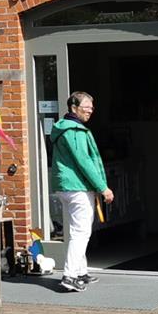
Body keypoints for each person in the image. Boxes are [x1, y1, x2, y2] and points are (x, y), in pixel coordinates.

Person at [47, 91, 113, 294]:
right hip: (76, 187)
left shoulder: (64, 129)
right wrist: (103, 187)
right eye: (86, 106)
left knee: (77, 230)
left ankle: (81, 271)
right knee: (81, 232)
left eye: (92, 107)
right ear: (74, 108)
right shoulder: (74, 131)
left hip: (65, 186)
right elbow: (84, 161)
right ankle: (70, 276)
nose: (90, 110)